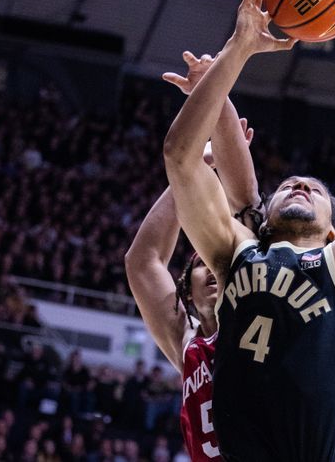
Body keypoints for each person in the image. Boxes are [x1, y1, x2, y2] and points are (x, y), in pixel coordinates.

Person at [162, 0, 335, 462]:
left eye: (314, 190)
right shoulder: (233, 256)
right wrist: (240, 47)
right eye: (290, 185)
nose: (300, 185)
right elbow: (181, 156)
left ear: (330, 230)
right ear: (266, 218)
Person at [126, 52, 261, 460]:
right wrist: (203, 164)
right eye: (201, 264)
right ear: (186, 292)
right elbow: (144, 259)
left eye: (217, 261)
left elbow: (245, 206)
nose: (213, 268)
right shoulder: (187, 345)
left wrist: (215, 96)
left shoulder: (259, 310)